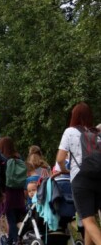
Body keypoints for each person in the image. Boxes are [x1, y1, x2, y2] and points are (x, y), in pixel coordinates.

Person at [55, 102, 101, 245]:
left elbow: (60, 158)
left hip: (80, 179)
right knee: (92, 219)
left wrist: (63, 169)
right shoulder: (97, 134)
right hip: (98, 178)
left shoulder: (70, 132)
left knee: (87, 220)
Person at [0, 136, 25, 245]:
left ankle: (16, 240)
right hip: (19, 193)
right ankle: (10, 240)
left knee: (11, 219)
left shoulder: (3, 160)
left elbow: (1, 178)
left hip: (8, 192)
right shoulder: (19, 159)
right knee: (17, 218)